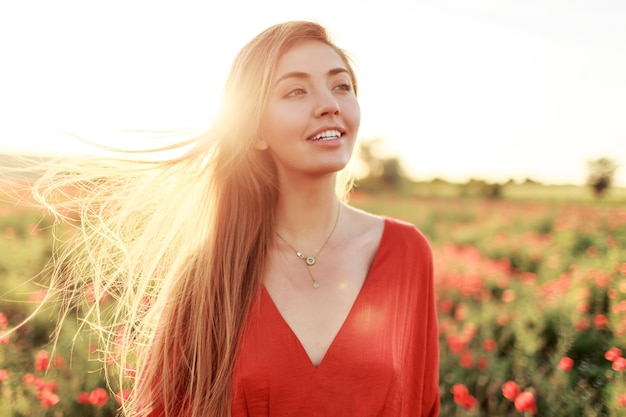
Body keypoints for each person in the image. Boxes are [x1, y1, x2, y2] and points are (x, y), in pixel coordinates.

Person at [33, 20, 439, 417]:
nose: (330, 104)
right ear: (255, 130)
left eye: (341, 86)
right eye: (296, 91)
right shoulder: (210, 273)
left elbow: (422, 404)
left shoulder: (406, 254)